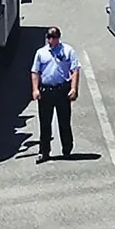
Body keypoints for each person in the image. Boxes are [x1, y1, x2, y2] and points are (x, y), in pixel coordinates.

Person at [30, 24, 80, 162]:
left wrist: (74, 88)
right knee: (45, 123)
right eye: (50, 37)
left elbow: (75, 70)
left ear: (59, 38)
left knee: (64, 122)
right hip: (46, 91)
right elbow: (35, 72)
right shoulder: (41, 53)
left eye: (54, 37)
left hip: (62, 90)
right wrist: (35, 89)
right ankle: (44, 152)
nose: (52, 40)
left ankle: (67, 149)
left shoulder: (68, 51)